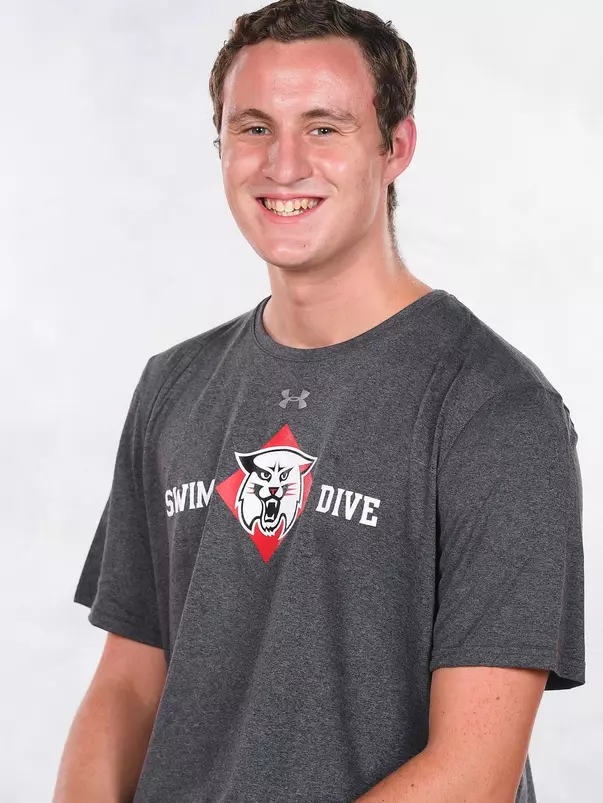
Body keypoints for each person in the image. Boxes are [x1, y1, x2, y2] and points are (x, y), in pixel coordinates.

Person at [53, 1, 585, 801]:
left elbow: (472, 773)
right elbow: (127, 686)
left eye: (325, 127)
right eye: (254, 127)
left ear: (394, 147)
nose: (284, 163)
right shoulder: (173, 387)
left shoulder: (497, 411)